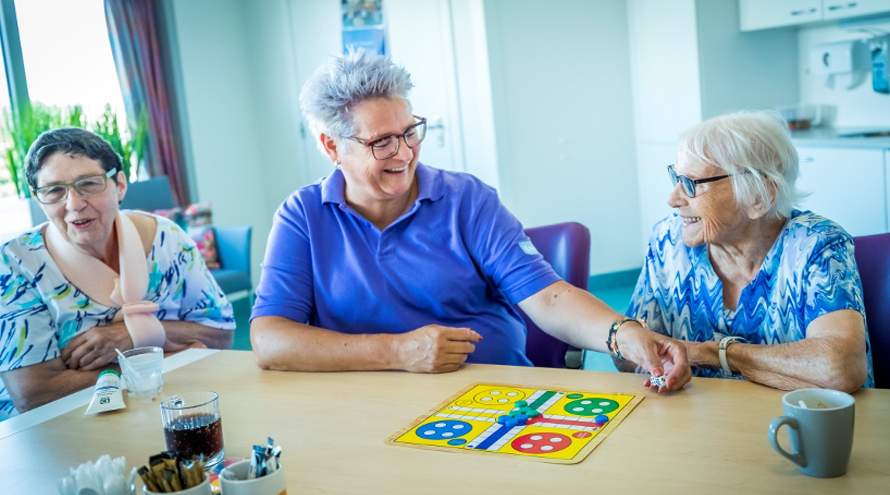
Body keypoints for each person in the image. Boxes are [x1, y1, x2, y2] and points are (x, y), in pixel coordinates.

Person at [250, 50, 690, 391]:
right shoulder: (302, 215)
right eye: (381, 142)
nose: (403, 154)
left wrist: (624, 334)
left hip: (490, 395)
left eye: (409, 132)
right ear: (332, 147)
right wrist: (398, 350)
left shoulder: (468, 200)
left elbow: (548, 298)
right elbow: (270, 339)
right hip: (365, 403)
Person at [626, 111, 872, 392]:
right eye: (676, 179)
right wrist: (641, 347)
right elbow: (627, 356)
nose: (673, 199)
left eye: (692, 184)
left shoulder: (816, 246)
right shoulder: (668, 241)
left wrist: (714, 354)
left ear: (759, 195)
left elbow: (840, 368)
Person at [0, 128, 235, 420]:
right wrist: (164, 356)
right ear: (39, 199)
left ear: (119, 185)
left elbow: (220, 334)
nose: (73, 203)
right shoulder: (14, 264)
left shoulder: (168, 240)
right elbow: (34, 394)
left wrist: (132, 335)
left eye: (88, 183)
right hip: (59, 431)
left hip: (175, 410)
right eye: (54, 191)